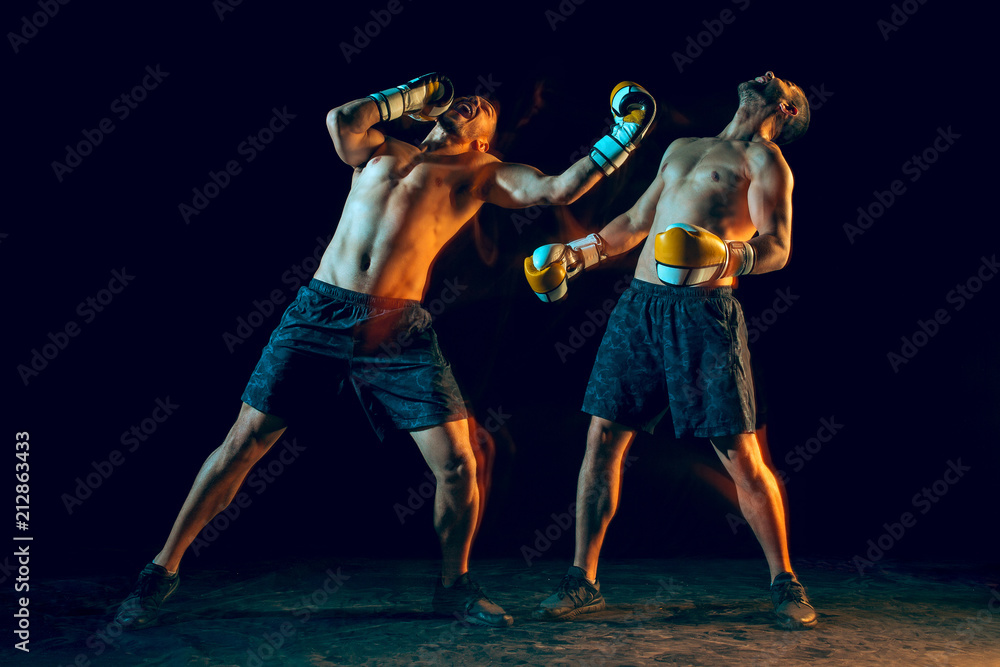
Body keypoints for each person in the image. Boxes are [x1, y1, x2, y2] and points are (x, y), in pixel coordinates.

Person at [115, 72, 655, 629]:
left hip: (399, 330)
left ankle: (454, 586)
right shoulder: (380, 149)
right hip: (319, 313)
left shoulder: (483, 173)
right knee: (242, 443)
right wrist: (418, 94)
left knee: (458, 464)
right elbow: (340, 120)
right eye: (468, 97)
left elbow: (557, 189)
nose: (474, 102)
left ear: (486, 139)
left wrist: (624, 135)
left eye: (486, 108)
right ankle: (160, 571)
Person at [525, 71, 817, 629]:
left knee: (740, 456)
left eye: (783, 82)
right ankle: (582, 580)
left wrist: (722, 257)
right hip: (639, 308)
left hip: (704, 316)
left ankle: (786, 582)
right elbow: (635, 223)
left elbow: (777, 247)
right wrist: (577, 255)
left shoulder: (766, 163)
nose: (769, 73)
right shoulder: (683, 148)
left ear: (784, 107)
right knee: (602, 440)